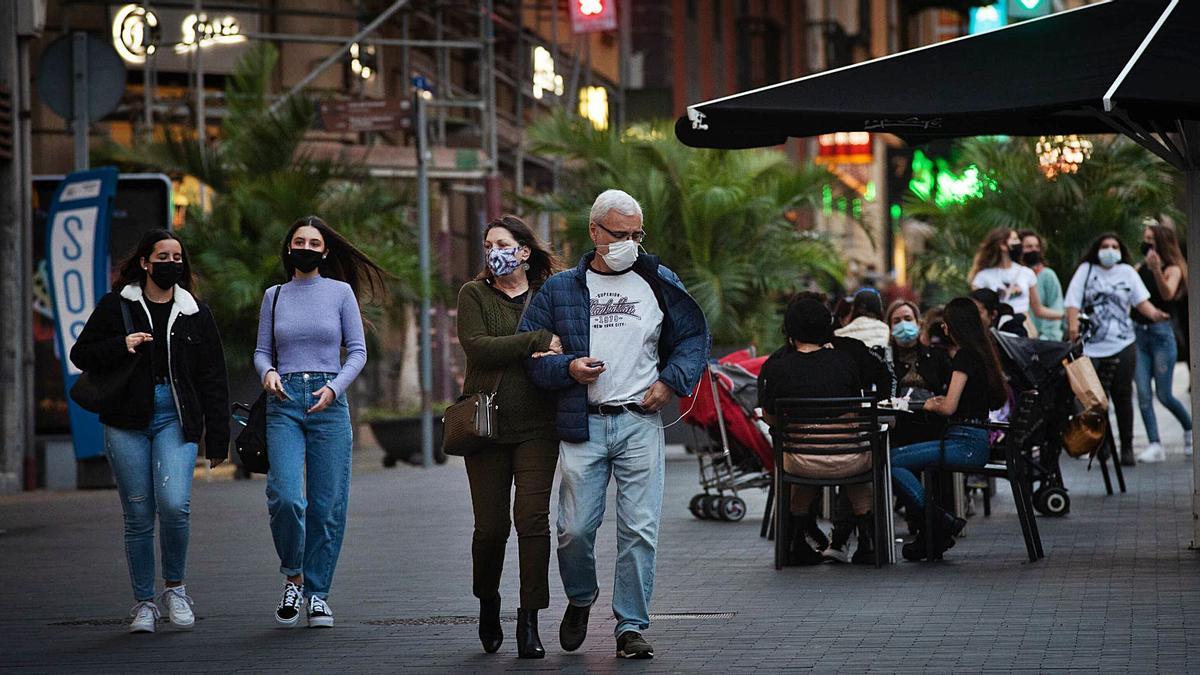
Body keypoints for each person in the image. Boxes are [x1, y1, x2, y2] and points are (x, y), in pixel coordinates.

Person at [520, 189, 710, 660]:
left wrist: (671, 383)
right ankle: (581, 598)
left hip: (639, 421)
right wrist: (567, 369)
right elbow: (530, 355)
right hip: (584, 424)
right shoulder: (561, 289)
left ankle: (630, 625)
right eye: (619, 234)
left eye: (636, 234)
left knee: (640, 529)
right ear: (594, 232)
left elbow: (693, 339)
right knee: (574, 530)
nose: (629, 243)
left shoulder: (658, 281)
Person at [70, 229, 230, 633]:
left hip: (174, 418)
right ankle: (143, 601)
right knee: (138, 512)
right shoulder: (116, 305)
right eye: (162, 256)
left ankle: (175, 588)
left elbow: (213, 377)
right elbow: (81, 353)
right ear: (144, 262)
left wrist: (218, 436)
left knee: (175, 503)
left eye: (177, 257)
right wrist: (121, 344)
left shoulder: (196, 312)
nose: (170, 263)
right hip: (126, 419)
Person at [255, 215, 386, 628]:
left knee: (328, 505)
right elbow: (261, 352)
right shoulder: (274, 296)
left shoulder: (340, 292)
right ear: (288, 248)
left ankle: (317, 594)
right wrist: (268, 374)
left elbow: (358, 351)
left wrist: (335, 388)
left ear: (325, 251)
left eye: (314, 244)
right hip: (284, 402)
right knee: (287, 497)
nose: (306, 249)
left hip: (329, 401)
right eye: (299, 242)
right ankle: (292, 576)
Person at [456, 216, 564, 658]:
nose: (493, 251)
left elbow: (565, 345)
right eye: (487, 245)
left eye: (501, 244)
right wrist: (535, 339)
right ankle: (488, 601)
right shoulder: (474, 294)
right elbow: (478, 346)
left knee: (533, 522)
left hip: (539, 427)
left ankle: (530, 619)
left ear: (523, 251)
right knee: (491, 527)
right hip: (485, 427)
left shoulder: (548, 294)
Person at [758, 294, 877, 566]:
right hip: (849, 459)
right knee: (856, 463)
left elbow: (770, 417)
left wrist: (805, 431)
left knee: (801, 454)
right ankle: (868, 541)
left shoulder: (777, 367)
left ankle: (797, 540)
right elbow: (854, 410)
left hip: (802, 462)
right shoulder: (845, 361)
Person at [889, 297, 1009, 561]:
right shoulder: (983, 354)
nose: (943, 329)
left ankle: (938, 521)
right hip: (972, 439)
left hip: (965, 444)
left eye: (946, 324)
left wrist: (931, 404)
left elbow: (948, 407)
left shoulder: (965, 357)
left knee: (891, 460)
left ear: (956, 326)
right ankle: (935, 531)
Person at [1065, 233, 1170, 467]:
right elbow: (1072, 301)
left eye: (1114, 246)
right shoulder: (1086, 270)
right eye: (1105, 246)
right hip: (1092, 346)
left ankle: (1127, 447)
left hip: (1122, 344)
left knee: (1123, 396)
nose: (1110, 250)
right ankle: (1101, 445)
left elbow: (1141, 302)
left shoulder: (1127, 272)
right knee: (1096, 400)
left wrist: (1156, 315)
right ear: (1097, 249)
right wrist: (1073, 329)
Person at [1133, 223, 1192, 463]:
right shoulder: (1139, 268)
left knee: (1164, 394)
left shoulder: (1173, 268)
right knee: (1144, 394)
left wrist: (1156, 269)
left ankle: (1189, 430)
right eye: (1145, 239)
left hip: (1161, 334)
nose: (1147, 244)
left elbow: (1168, 294)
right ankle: (1154, 443)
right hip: (1139, 334)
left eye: (1151, 240)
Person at [969, 227, 1063, 336]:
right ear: (1003, 246)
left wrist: (1066, 316)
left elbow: (1038, 310)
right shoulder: (983, 277)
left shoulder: (1026, 273)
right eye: (1014, 239)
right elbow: (978, 310)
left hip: (1024, 328)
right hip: (998, 330)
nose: (1018, 243)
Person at [1018, 230, 1065, 341]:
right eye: (1029, 246)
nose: (1034, 250)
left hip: (1042, 340)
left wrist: (1047, 338)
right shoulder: (1014, 275)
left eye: (1037, 246)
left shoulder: (1047, 275)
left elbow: (1055, 306)